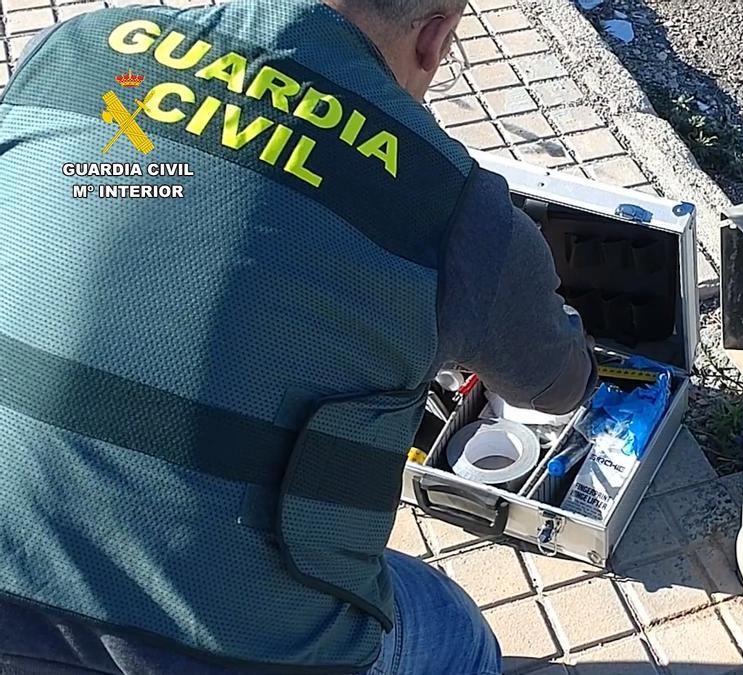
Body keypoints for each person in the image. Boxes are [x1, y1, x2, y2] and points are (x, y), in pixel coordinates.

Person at [0, 0, 597, 672]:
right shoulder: (452, 204)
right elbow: (557, 384)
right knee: (452, 631)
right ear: (435, 36)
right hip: (222, 648)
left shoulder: (75, 48)